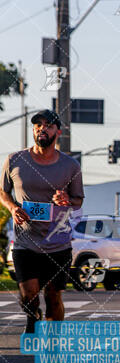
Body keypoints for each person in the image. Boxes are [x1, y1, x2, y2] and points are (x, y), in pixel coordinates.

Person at [0, 110, 84, 333]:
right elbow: (3, 192)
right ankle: (32, 316)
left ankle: (54, 339)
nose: (41, 128)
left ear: (58, 131)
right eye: (37, 125)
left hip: (58, 243)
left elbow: (78, 201)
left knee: (53, 296)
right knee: (29, 294)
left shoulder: (70, 166)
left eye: (48, 125)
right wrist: (13, 207)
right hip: (25, 242)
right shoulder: (15, 160)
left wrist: (66, 199)